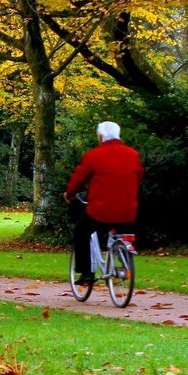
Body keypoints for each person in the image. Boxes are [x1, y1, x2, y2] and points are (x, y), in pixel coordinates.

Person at [63, 121, 143, 285]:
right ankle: (125, 258)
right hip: (128, 211)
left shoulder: (93, 156)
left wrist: (69, 194)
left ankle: (86, 274)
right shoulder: (133, 155)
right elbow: (138, 177)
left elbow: (78, 179)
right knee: (123, 230)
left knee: (81, 232)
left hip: (100, 211)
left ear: (100, 137)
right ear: (119, 136)